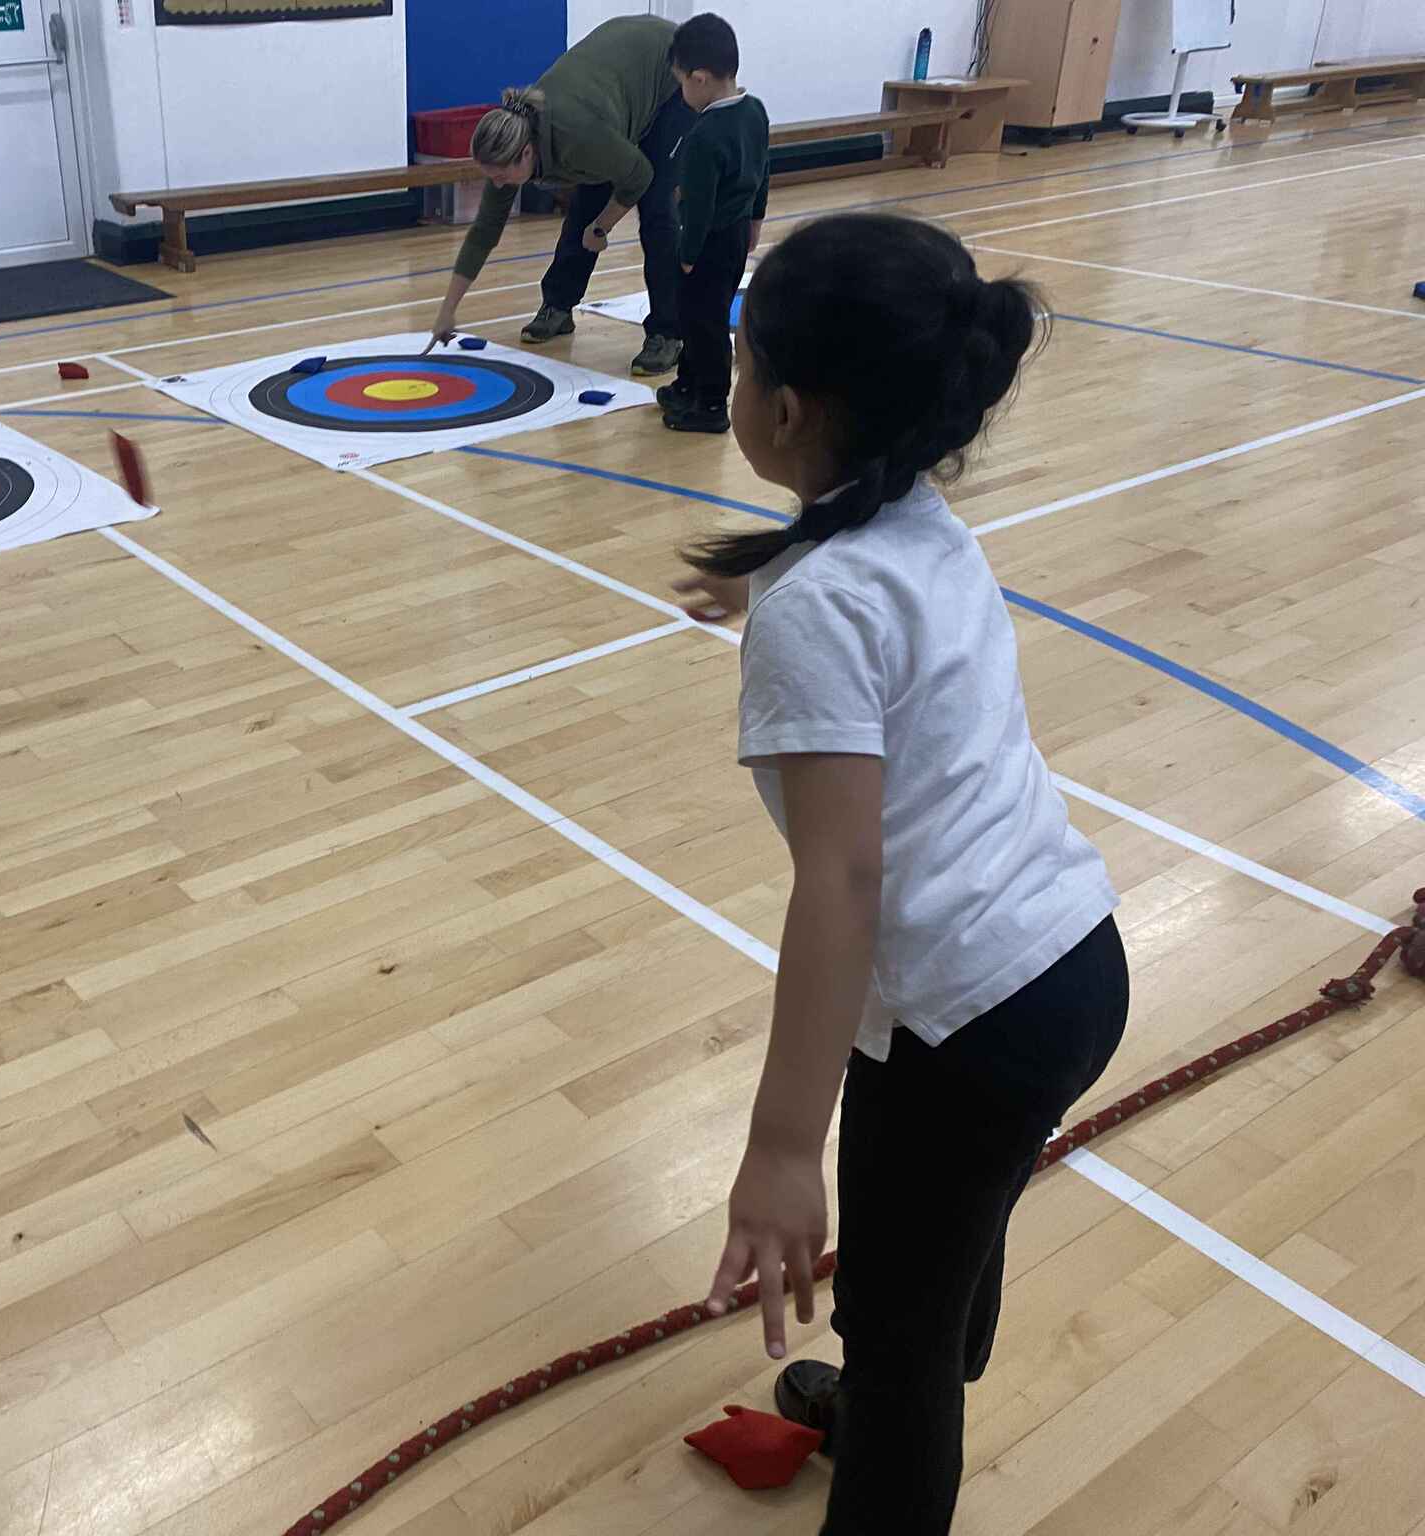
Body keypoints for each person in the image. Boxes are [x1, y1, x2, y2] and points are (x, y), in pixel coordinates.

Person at [671, 212, 1129, 1535]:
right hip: (1068, 963)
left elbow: (842, 882)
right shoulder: (914, 519)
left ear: (783, 408)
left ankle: (894, 1417)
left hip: (961, 1023)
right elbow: (861, 598)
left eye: (741, 365)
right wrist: (771, 586)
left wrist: (778, 1148)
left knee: (897, 1322)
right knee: (947, 1233)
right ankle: (903, 1370)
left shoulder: (822, 601)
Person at [427, 15, 693, 376]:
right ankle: (558, 305)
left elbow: (639, 177)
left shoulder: (578, 135)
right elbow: (483, 232)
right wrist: (447, 310)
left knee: (657, 210)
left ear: (526, 153)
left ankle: (668, 333)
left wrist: (601, 227)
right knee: (587, 200)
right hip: (612, 96)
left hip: (669, 70)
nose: (498, 185)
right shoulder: (509, 149)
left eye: (501, 176)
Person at [658, 14, 769, 434]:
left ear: (700, 78)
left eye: (681, 81)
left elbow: (699, 206)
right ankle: (688, 384)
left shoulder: (705, 133)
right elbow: (763, 169)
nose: (681, 91)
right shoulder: (754, 111)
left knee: (703, 322)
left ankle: (710, 404)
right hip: (736, 235)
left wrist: (687, 254)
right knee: (704, 314)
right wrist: (757, 218)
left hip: (707, 242)